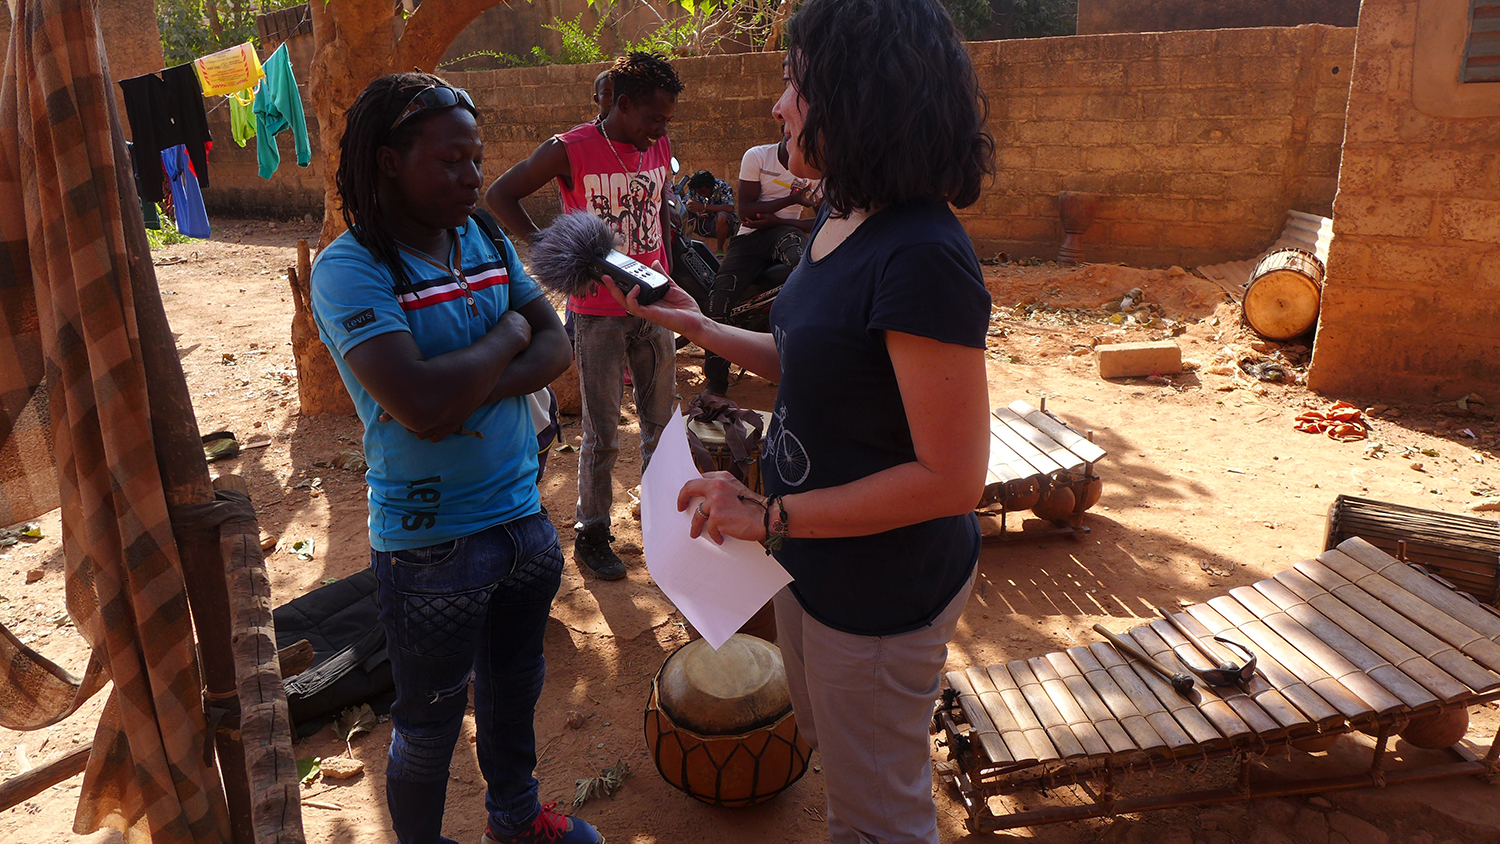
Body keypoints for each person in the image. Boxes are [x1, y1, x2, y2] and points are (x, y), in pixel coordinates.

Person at [603, 1, 994, 841]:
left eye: (795, 83)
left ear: (859, 97)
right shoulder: (845, 211)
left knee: (877, 812)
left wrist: (770, 513)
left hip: (882, 589)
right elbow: (811, 355)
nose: (779, 106)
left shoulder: (920, 253)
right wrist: (703, 327)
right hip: (812, 563)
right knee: (829, 747)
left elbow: (953, 478)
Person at [308, 73, 599, 844]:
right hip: (430, 542)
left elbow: (558, 345)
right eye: (450, 161)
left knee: (514, 690)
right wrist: (505, 334)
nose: (474, 178)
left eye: (477, 159)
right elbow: (423, 407)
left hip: (522, 515)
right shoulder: (350, 269)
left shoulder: (483, 236)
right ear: (387, 162)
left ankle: (515, 818)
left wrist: (462, 377)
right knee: (429, 724)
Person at [487, 52, 683, 582]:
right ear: (622, 105)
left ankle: (663, 522)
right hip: (598, 313)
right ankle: (592, 532)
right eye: (654, 119)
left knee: (662, 425)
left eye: (665, 122)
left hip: (656, 302)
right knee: (604, 431)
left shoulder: (657, 144)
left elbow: (660, 208)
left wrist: (667, 260)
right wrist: (551, 249)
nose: (661, 131)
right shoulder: (568, 150)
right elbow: (499, 194)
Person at [700, 135, 819, 397]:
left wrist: (777, 221)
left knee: (805, 272)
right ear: (784, 130)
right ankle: (716, 382)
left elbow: (826, 219)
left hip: (786, 232)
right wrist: (792, 200)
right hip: (749, 238)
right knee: (718, 299)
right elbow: (746, 212)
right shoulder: (757, 156)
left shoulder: (816, 167)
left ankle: (803, 365)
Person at [679, 169, 737, 255]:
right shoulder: (694, 188)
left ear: (710, 186)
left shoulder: (723, 186)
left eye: (704, 191)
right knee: (684, 212)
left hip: (723, 224)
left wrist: (705, 207)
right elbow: (686, 202)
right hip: (702, 223)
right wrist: (695, 211)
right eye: (699, 192)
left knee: (722, 216)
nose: (702, 194)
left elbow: (730, 208)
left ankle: (719, 251)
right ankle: (684, 245)